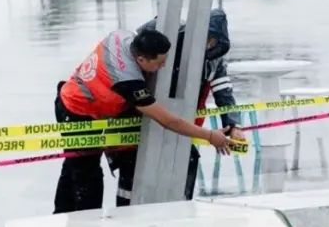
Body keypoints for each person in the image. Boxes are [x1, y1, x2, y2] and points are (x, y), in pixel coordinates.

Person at [53, 27, 231, 214]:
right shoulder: (128, 80)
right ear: (141, 60)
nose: (163, 67)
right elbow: (169, 121)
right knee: (88, 176)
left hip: (76, 95)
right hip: (77, 110)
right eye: (159, 63)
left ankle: (60, 215)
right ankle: (87, 225)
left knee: (73, 165)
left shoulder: (122, 36)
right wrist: (210, 136)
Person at [106, 8, 244, 204]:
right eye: (207, 39)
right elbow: (134, 56)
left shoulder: (214, 62)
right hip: (140, 120)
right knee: (133, 168)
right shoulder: (164, 34)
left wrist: (233, 125)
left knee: (187, 161)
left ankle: (182, 207)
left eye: (213, 43)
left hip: (183, 127)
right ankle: (125, 212)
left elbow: (224, 92)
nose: (208, 46)